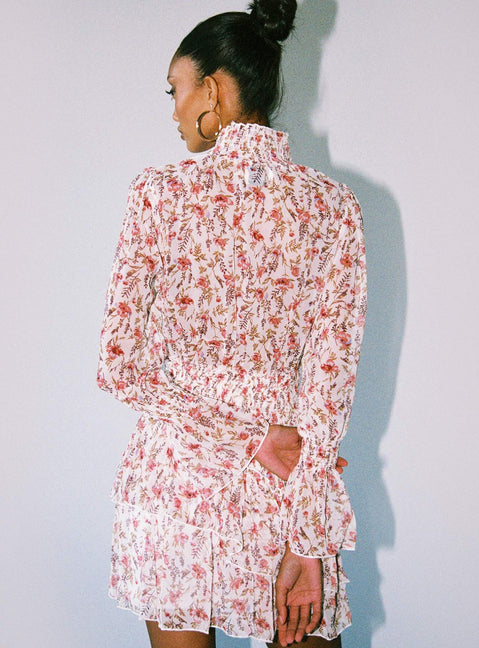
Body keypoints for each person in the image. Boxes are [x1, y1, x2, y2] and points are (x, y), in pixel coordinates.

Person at [97, 1, 367, 647]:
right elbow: (327, 390)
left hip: (176, 483)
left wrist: (249, 439)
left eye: (175, 90)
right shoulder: (331, 208)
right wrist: (308, 541)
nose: (173, 110)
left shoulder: (159, 194)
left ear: (212, 91)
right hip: (284, 488)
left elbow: (118, 365)